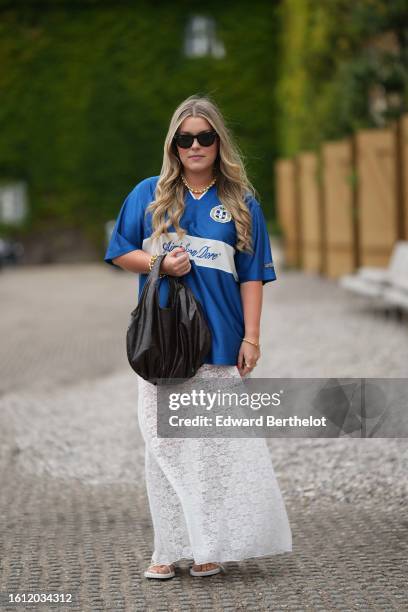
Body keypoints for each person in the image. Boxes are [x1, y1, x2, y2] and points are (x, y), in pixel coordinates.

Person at [104, 95, 292, 579]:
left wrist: (252, 337)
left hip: (222, 340)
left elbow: (252, 276)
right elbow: (119, 251)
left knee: (214, 448)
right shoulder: (149, 193)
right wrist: (158, 263)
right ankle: (167, 548)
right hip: (164, 340)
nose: (194, 145)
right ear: (173, 144)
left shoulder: (241, 203)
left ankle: (209, 545)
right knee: (164, 444)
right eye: (184, 138)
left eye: (204, 137)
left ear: (218, 142)